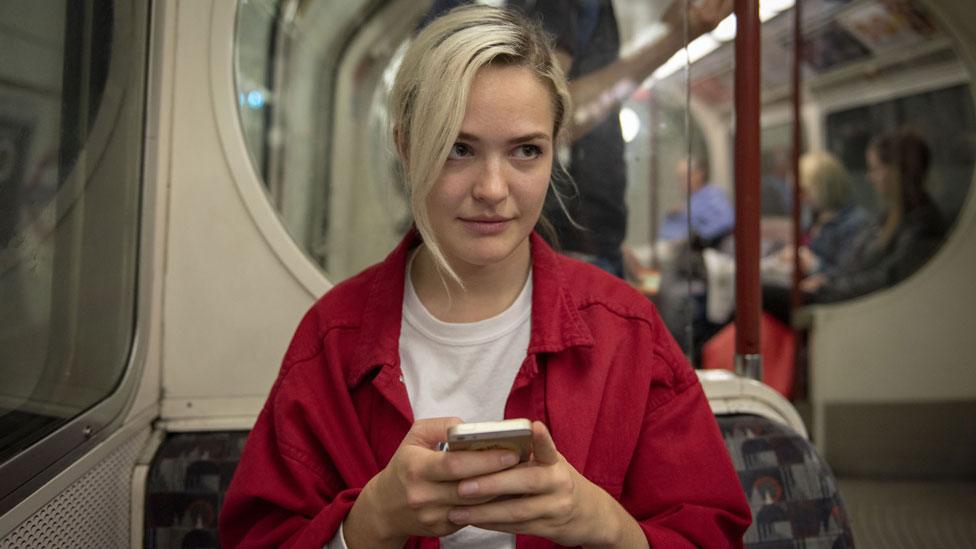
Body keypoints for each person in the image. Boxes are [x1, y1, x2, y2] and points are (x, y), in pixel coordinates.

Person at [219, 6, 750, 548]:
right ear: (406, 147)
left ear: (553, 152)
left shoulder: (627, 332)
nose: (493, 189)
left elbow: (709, 531)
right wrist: (370, 522)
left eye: (526, 151)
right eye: (458, 149)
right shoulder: (331, 339)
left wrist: (603, 524)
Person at [509, 0, 734, 278]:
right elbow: (543, 113)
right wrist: (675, 37)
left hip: (588, 244)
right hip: (564, 250)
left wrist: (610, 242)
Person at [802, 129, 945, 301]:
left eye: (875, 169)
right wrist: (828, 280)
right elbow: (855, 264)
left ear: (897, 171)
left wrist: (825, 285)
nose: (870, 178)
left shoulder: (922, 225)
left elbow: (886, 278)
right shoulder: (888, 217)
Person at [658, 156, 735, 248]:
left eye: (685, 176)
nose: (682, 182)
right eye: (679, 178)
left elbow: (727, 221)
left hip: (713, 248)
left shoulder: (712, 195)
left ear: (699, 175)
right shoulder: (688, 201)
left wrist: (698, 235)